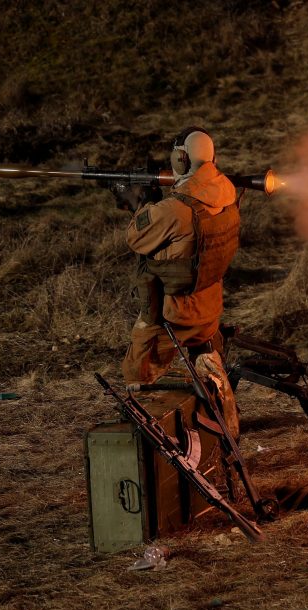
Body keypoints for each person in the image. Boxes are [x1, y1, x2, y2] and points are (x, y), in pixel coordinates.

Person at [112, 126, 240, 435]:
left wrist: (138, 204)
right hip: (208, 308)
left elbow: (136, 238)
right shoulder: (227, 194)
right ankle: (228, 427)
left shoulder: (174, 210)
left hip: (175, 314)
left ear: (180, 159)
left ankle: (150, 441)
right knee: (209, 364)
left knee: (136, 370)